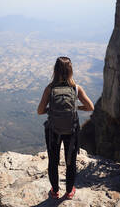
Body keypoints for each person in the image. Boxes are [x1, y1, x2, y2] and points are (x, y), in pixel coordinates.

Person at [37, 56, 94, 200]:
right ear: (70, 71)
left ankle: (55, 191)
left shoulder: (50, 89)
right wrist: (75, 108)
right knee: (71, 162)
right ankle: (69, 191)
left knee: (53, 161)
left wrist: (52, 110)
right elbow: (90, 107)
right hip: (72, 131)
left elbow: (40, 111)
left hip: (53, 131)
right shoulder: (76, 88)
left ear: (55, 70)